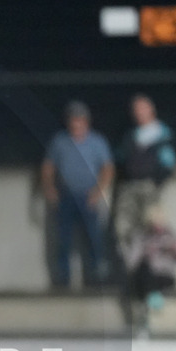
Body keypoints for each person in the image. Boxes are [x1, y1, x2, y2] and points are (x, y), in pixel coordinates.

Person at [40, 100, 114, 289]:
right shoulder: (60, 141)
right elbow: (48, 167)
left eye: (80, 119)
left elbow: (107, 168)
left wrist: (98, 193)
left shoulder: (97, 142)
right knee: (63, 240)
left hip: (88, 197)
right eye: (73, 119)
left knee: (93, 239)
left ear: (86, 121)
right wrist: (49, 189)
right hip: (65, 196)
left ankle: (95, 280)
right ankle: (62, 281)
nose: (76, 123)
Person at [112, 94, 176, 269]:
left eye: (142, 109)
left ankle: (150, 272)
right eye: (136, 110)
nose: (138, 113)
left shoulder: (162, 134)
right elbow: (120, 159)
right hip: (128, 188)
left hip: (149, 188)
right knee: (123, 228)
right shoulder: (130, 135)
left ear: (151, 110)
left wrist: (155, 183)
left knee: (151, 230)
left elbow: (169, 164)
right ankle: (132, 268)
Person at [125, 204, 176, 329]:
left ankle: (149, 307)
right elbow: (131, 263)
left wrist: (173, 250)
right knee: (145, 271)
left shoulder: (171, 235)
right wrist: (145, 252)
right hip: (146, 276)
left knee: (152, 279)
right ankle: (147, 309)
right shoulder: (141, 237)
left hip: (165, 276)